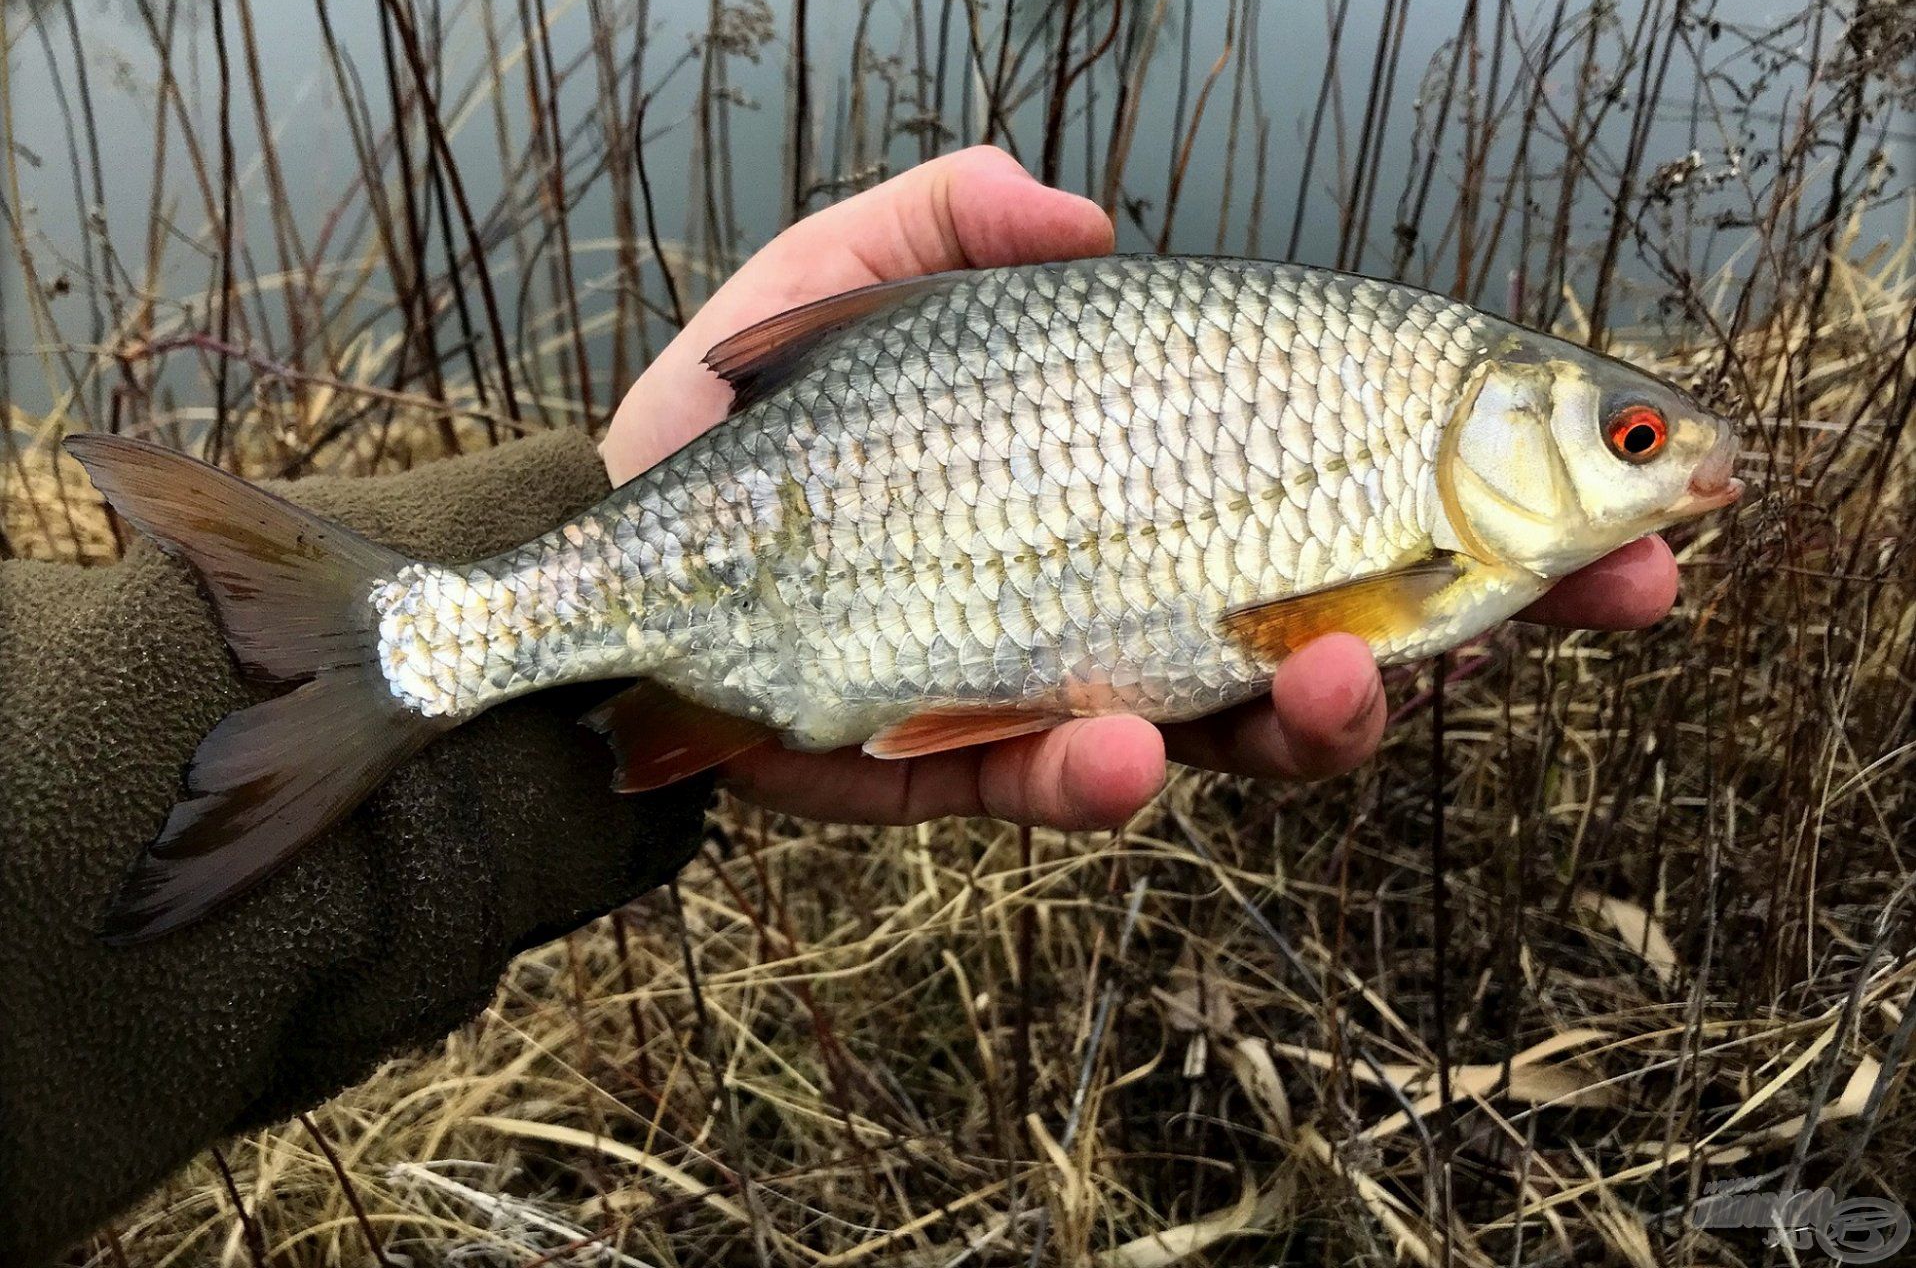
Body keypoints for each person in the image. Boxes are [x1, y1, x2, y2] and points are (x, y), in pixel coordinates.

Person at [0, 147, 1676, 1261]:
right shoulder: (1422, 538)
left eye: (1636, 445)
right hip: (804, 555)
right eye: (1633, 444)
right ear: (1510, 426)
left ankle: (419, 644)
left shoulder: (1424, 447)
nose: (1654, 471)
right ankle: (414, 643)